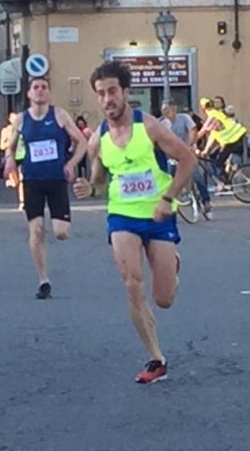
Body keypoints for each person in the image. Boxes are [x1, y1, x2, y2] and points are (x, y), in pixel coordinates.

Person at [73, 60, 194, 384]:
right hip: (122, 216)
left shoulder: (150, 126)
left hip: (157, 215)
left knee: (164, 299)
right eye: (100, 93)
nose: (107, 99)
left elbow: (187, 159)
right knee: (132, 285)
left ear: (125, 92)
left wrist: (168, 199)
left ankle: (172, 265)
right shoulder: (98, 139)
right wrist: (90, 187)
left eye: (112, 91)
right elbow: (99, 180)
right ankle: (156, 358)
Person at [3, 77, 87, 300]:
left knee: (61, 233)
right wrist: (10, 160)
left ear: (49, 93)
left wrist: (71, 163)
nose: (40, 91)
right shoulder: (21, 119)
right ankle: (43, 280)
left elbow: (82, 141)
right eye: (36, 88)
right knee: (37, 230)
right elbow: (10, 147)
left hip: (56, 179)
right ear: (29, 93)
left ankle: (57, 227)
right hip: (32, 180)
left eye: (44, 88)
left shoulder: (59, 115)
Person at [160, 99, 212, 218]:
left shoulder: (184, 118)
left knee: (197, 177)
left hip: (187, 152)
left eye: (167, 110)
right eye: (163, 111)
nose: (165, 113)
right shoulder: (162, 123)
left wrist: (190, 145)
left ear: (174, 110)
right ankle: (171, 204)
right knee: (169, 178)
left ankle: (206, 202)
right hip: (173, 155)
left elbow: (193, 130)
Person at [0, 112, 23, 210]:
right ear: (9, 119)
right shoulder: (6, 131)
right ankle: (12, 182)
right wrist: (9, 145)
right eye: (13, 118)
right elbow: (1, 145)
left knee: (22, 180)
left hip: (22, 156)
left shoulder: (23, 129)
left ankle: (22, 201)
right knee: (16, 182)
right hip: (11, 157)